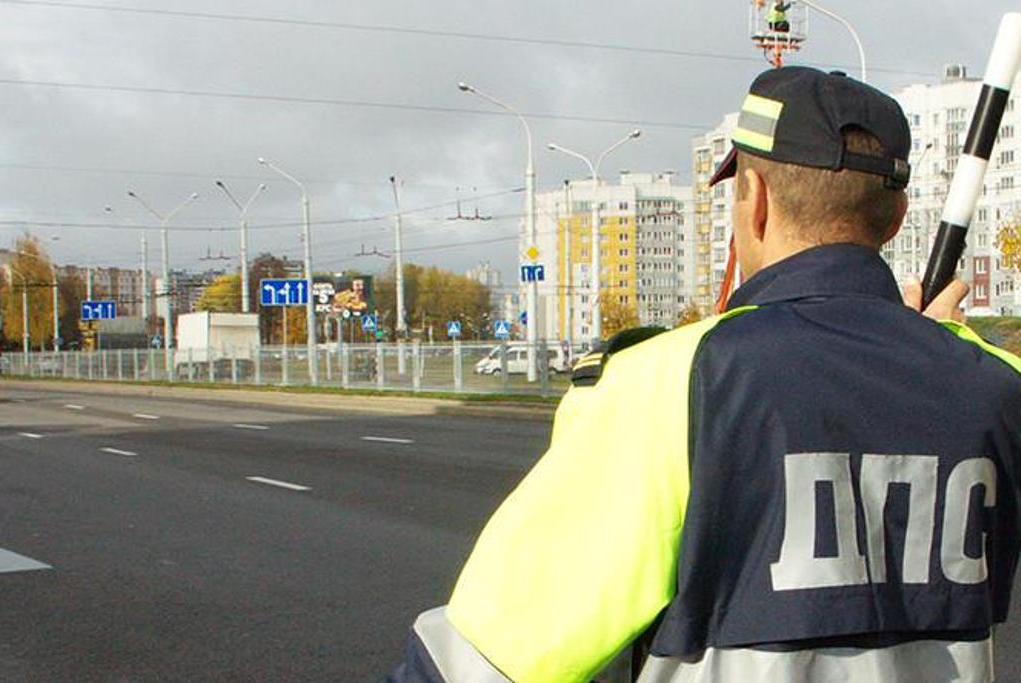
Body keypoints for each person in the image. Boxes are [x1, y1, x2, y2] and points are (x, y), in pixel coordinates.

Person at [383, 67, 1021, 683]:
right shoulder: (994, 386)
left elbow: (491, 661)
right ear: (896, 216)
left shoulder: (666, 383)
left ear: (757, 200)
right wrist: (941, 346)